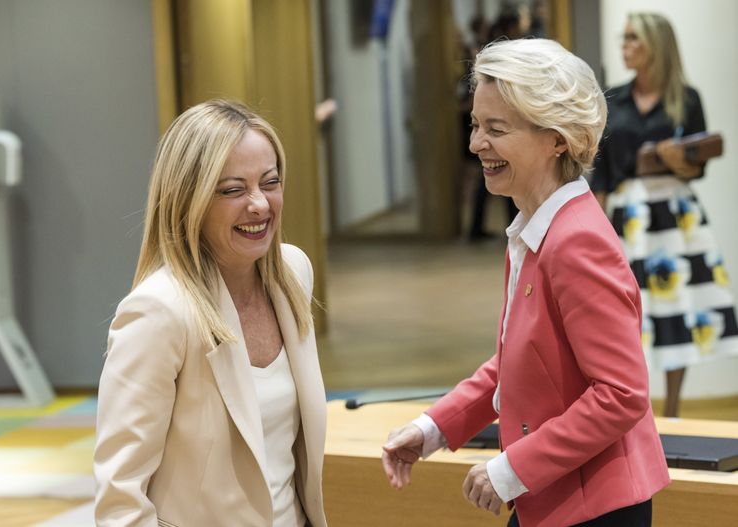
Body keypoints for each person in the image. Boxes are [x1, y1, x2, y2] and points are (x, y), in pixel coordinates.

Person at [382, 39, 670, 527]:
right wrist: (432, 428)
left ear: (558, 138)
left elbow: (621, 394)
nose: (475, 144)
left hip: (594, 508)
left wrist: (513, 468)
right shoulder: (536, 226)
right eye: (475, 125)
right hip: (558, 497)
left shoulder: (576, 241)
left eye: (496, 129)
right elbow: (522, 360)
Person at [94, 100, 328, 527]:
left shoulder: (293, 273)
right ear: (188, 200)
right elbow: (119, 501)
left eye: (270, 182)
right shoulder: (158, 312)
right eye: (232, 190)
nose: (259, 204)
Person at [591, 12, 738, 418]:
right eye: (623, 38)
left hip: (675, 213)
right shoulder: (613, 99)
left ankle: (671, 410)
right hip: (628, 214)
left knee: (679, 306)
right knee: (624, 310)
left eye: (633, 39)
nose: (625, 47)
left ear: (656, 45)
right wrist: (595, 225)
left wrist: (678, 159)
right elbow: (600, 170)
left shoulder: (686, 99)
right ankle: (631, 409)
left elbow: (698, 167)